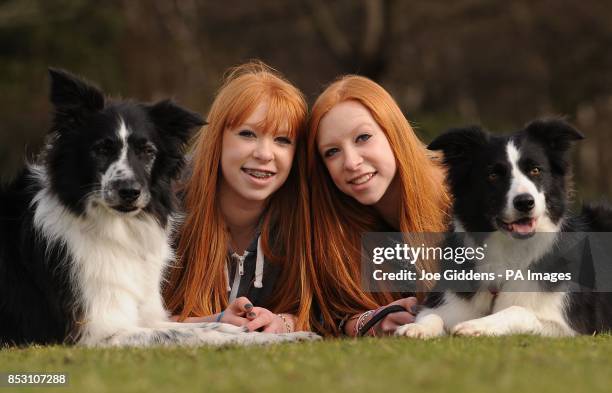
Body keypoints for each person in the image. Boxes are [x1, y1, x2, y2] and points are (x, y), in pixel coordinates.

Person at [164, 61, 312, 333]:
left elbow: (335, 311)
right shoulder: (164, 206)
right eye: (247, 134)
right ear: (217, 139)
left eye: (282, 140)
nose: (265, 154)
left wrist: (283, 322)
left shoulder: (308, 216)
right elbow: (116, 320)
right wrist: (214, 321)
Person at [306, 75, 451, 336]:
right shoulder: (337, 225)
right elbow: (333, 316)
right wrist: (373, 320)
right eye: (332, 152)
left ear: (392, 132)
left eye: (363, 137)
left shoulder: (461, 195)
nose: (350, 162)